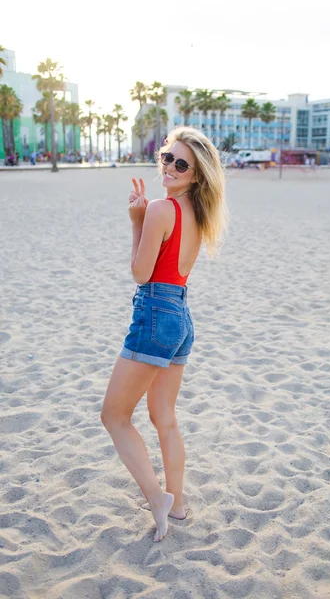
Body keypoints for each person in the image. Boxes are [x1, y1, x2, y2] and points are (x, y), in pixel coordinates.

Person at [101, 126, 227, 542]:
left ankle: (157, 497)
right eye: (166, 158)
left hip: (155, 311)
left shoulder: (160, 209)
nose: (170, 167)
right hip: (181, 318)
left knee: (114, 416)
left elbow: (140, 272)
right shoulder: (197, 213)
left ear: (196, 174)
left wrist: (136, 220)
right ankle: (178, 500)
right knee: (164, 418)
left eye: (181, 163)